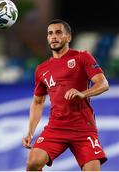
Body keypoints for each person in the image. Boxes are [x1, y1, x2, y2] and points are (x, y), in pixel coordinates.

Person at [22, 19, 109, 171]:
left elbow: (103, 84)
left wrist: (83, 94)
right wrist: (30, 132)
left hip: (83, 128)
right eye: (50, 33)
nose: (53, 37)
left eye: (58, 32)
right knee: (33, 163)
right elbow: (37, 102)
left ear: (68, 37)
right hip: (56, 127)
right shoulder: (42, 69)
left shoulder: (82, 57)